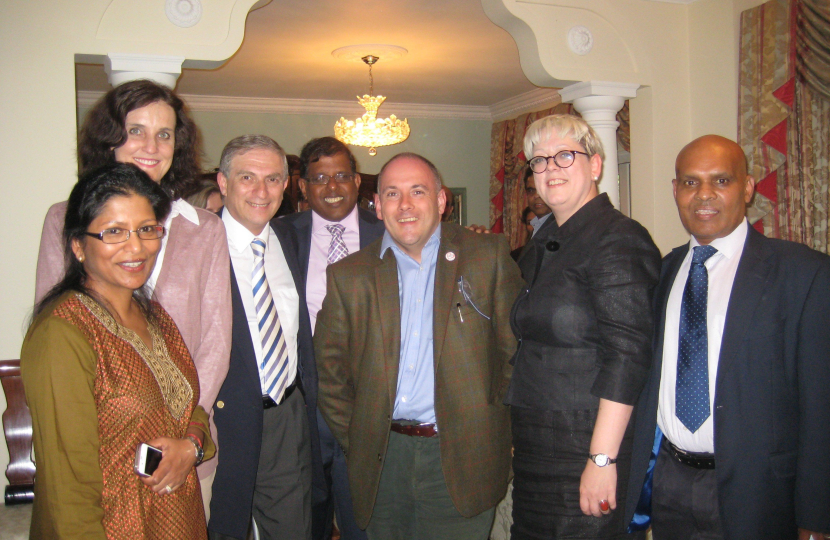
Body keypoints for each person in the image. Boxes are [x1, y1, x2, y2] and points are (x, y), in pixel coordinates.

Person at [34, 80, 231, 516]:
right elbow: (55, 332)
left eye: (165, 134)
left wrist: (187, 437)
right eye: (136, 130)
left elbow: (216, 343)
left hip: (184, 447)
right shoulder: (64, 221)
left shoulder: (205, 230)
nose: (151, 146)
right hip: (96, 449)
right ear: (109, 139)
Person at [624, 135, 830, 540]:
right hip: (669, 483)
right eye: (690, 182)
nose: (704, 194)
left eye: (721, 181)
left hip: (762, 493)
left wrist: (817, 517)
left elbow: (821, 405)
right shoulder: (661, 273)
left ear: (748, 188)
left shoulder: (803, 274)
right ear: (675, 190)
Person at [314, 152, 524, 540]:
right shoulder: (348, 276)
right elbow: (330, 374)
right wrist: (361, 439)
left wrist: (492, 425)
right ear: (378, 206)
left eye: (418, 191)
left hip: (464, 455)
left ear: (441, 200)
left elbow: (516, 356)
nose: (405, 205)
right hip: (383, 461)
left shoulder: (487, 256)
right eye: (392, 193)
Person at [22, 163, 215, 539]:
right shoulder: (63, 334)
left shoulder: (154, 317)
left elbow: (187, 405)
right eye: (114, 232)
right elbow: (68, 492)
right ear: (78, 246)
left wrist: (191, 446)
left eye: (147, 229)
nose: (137, 247)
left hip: (180, 520)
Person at [507, 114, 661, 540]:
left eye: (564, 156)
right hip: (537, 446)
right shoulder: (542, 242)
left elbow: (628, 356)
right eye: (539, 160)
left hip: (586, 442)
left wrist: (601, 460)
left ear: (595, 165)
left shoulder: (618, 238)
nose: (550, 168)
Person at [209, 135, 322, 540]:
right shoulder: (196, 245)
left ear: (286, 185)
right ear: (223, 182)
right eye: (247, 177)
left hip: (285, 416)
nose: (262, 191)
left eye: (273, 179)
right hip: (219, 422)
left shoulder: (291, 240)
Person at [283, 136, 384, 540]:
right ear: (303, 187)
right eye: (320, 178)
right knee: (310, 514)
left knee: (364, 514)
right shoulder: (280, 235)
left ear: (357, 181)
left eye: (341, 175)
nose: (332, 187)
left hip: (371, 400)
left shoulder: (389, 233)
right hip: (305, 400)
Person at [523, 166, 552, 235]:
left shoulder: (565, 228)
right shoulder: (536, 225)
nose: (536, 195)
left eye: (542, 189)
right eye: (531, 190)